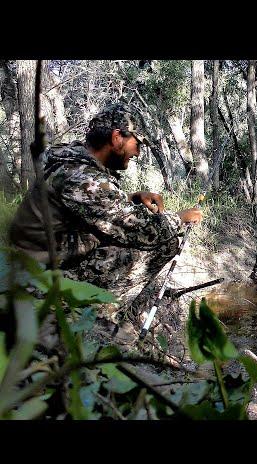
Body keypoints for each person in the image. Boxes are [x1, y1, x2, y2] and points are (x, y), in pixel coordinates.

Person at [9, 103, 203, 326]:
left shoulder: (73, 165)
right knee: (165, 242)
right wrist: (180, 218)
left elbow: (90, 211)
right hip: (37, 284)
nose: (138, 153)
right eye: (137, 143)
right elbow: (143, 230)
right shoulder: (83, 178)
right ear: (117, 137)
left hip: (38, 268)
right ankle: (94, 316)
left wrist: (132, 198)